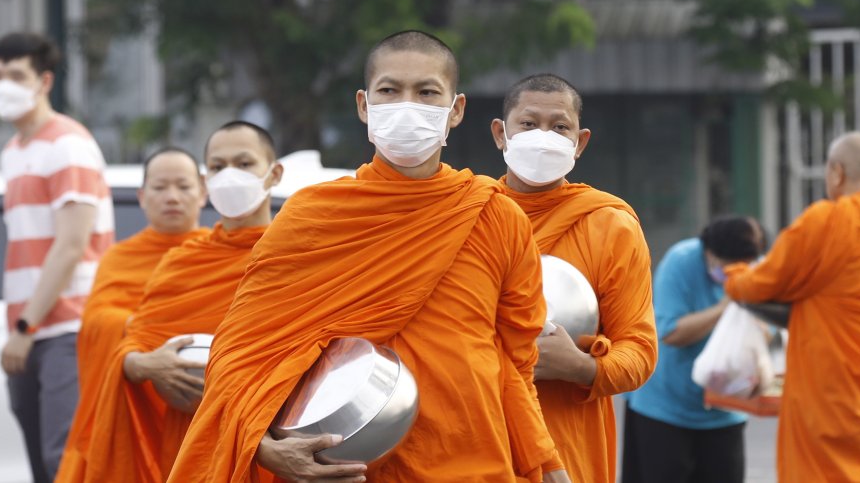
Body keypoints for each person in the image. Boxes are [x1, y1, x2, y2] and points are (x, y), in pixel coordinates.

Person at [168, 31, 568, 483]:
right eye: (390, 91)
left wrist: (547, 465)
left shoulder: (495, 215)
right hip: (351, 466)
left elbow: (514, 364)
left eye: (427, 92)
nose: (407, 105)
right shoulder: (314, 216)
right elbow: (241, 350)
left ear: (455, 110)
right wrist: (261, 444)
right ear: (364, 105)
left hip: (472, 461)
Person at [59, 121, 282, 483]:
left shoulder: (296, 250)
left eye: (244, 165)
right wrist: (145, 364)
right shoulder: (182, 262)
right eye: (220, 166)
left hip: (275, 433)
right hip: (191, 434)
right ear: (209, 182)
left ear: (274, 174)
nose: (231, 177)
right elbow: (131, 343)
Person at [489, 73, 657, 482]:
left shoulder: (609, 225)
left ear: (579, 142)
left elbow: (639, 351)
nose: (543, 137)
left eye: (559, 127)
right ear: (501, 134)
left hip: (567, 446)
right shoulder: (469, 215)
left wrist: (582, 367)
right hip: (480, 439)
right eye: (528, 124)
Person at [725, 132, 860, 483]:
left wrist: (734, 275)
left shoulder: (824, 220)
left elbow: (762, 283)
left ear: (836, 173)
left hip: (824, 393)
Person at [0, 33, 116, 482]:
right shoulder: (13, 151)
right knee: (42, 466)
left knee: (64, 460)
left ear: (44, 81)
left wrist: (27, 325)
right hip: (31, 330)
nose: (3, 85)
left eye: (16, 75)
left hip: (66, 326)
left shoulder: (68, 144)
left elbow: (71, 244)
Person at [57, 146, 210, 481]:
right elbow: (97, 325)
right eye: (159, 188)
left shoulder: (221, 254)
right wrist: (145, 332)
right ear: (142, 196)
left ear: (203, 193)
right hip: (136, 405)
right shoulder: (118, 258)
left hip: (205, 410)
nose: (172, 197)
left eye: (183, 187)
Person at [622, 216, 766, 483]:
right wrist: (724, 308)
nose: (731, 275)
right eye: (726, 268)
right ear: (708, 253)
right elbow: (670, 332)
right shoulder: (681, 262)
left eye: (742, 268)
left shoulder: (757, 269)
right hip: (665, 409)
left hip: (725, 409)